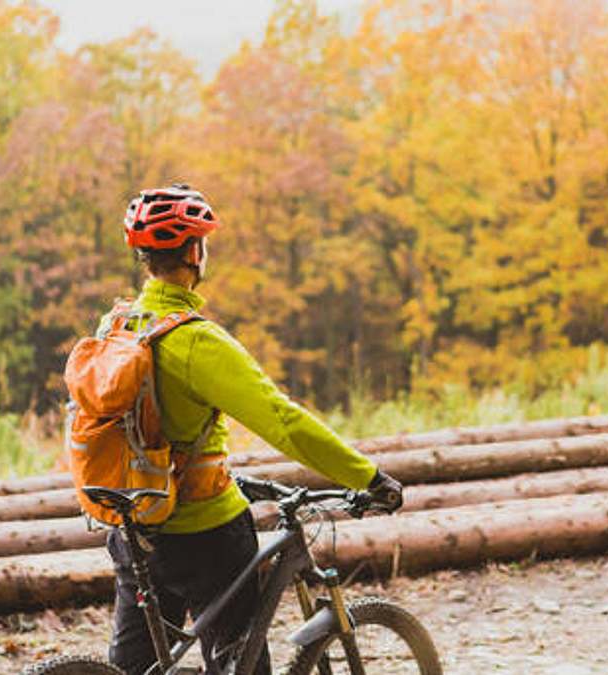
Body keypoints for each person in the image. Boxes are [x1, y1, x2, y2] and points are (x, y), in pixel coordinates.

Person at [104, 184, 404, 675]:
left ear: (143, 255)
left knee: (133, 669)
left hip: (131, 524)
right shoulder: (196, 341)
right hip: (204, 534)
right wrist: (365, 476)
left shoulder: (117, 326)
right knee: (237, 664)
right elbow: (283, 421)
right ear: (195, 252)